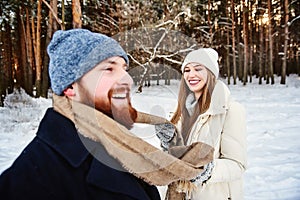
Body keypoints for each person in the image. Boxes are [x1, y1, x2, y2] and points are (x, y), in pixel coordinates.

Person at [0, 29, 215, 200]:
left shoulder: (115, 142)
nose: (128, 80)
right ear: (70, 88)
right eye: (109, 69)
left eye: (124, 68)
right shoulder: (33, 180)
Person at [167, 48, 247, 200]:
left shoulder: (231, 110)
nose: (191, 75)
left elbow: (237, 165)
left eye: (198, 69)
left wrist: (206, 171)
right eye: (187, 70)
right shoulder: (178, 111)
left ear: (211, 74)